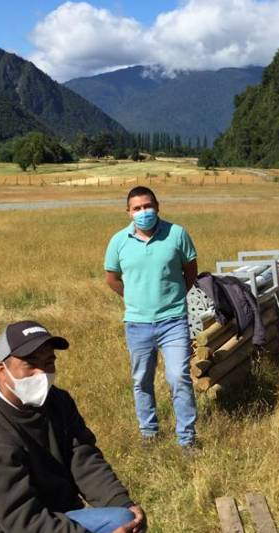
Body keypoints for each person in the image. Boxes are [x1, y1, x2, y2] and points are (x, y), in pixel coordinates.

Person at [0, 320, 147, 533]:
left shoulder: (57, 401)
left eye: (48, 362)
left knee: (125, 518)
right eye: (30, 364)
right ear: (1, 370)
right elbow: (25, 522)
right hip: (12, 528)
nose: (42, 373)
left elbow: (82, 458)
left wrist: (120, 501)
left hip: (58, 515)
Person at [104, 186, 199, 450]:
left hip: (173, 320)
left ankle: (187, 438)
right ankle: (149, 432)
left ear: (157, 206)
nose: (143, 212)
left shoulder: (177, 234)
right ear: (128, 212)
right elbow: (112, 278)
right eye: (137, 208)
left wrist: (175, 296)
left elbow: (190, 270)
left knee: (178, 376)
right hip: (137, 323)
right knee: (141, 379)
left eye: (148, 206)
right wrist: (133, 297)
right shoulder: (119, 241)